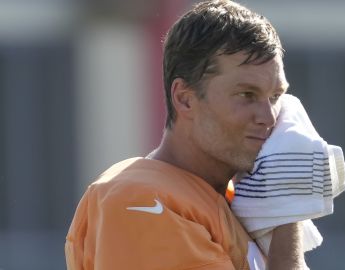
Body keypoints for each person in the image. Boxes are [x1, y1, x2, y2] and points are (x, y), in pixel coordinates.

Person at [65, 0, 305, 269]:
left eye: (274, 97)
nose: (269, 117)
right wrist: (287, 207)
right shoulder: (140, 198)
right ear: (185, 98)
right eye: (246, 95)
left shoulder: (234, 198)